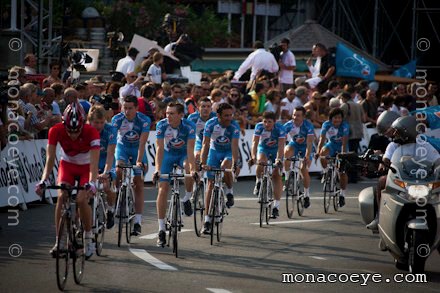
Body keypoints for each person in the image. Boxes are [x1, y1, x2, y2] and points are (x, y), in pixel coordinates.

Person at [36, 102, 99, 259]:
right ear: (63, 124)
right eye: (69, 130)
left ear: (83, 125)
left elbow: (94, 164)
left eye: (76, 131)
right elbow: (50, 159)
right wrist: (43, 180)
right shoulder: (55, 130)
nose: (73, 134)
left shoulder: (92, 132)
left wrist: (92, 183)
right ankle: (60, 241)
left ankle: (88, 237)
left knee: (81, 199)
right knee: (62, 196)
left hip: (86, 167)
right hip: (68, 165)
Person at [153, 102, 197, 247]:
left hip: (183, 154)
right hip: (168, 155)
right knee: (163, 188)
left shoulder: (189, 126)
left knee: (188, 169)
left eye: (172, 113)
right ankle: (161, 229)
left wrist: (193, 169)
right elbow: (159, 149)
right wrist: (157, 170)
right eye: (167, 113)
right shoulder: (162, 125)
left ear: (180, 115)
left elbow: (190, 150)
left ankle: (187, 198)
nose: (168, 116)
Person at [111, 95, 151, 235]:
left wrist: (139, 161)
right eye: (124, 108)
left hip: (137, 150)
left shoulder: (144, 120)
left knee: (138, 183)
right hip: (122, 147)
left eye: (130, 108)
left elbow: (142, 143)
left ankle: (138, 222)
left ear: (136, 108)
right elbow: (113, 142)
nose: (126, 111)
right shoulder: (117, 119)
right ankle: (115, 195)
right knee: (118, 170)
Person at [200, 103, 241, 234]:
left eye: (231, 115)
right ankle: (207, 220)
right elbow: (205, 144)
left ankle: (229, 191)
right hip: (214, 151)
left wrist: (236, 164)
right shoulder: (211, 124)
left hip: (228, 152)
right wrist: (202, 163)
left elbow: (235, 147)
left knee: (225, 167)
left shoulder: (234, 126)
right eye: (226, 116)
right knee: (210, 185)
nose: (229, 118)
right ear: (218, 115)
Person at [248, 111, 285, 218]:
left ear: (274, 122)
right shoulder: (259, 127)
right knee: (261, 162)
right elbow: (255, 143)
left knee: (276, 176)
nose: (267, 124)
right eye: (265, 121)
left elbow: (281, 146)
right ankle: (258, 181)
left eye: (269, 122)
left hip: (276, 150)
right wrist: (253, 157)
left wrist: (278, 159)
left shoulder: (280, 129)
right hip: (263, 148)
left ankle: (276, 207)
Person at [88, 105, 117, 229]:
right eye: (96, 122)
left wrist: (106, 172)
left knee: (107, 187)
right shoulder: (86, 130)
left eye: (102, 122)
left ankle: (110, 210)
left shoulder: (110, 130)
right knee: (86, 192)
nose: (99, 126)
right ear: (90, 121)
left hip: (106, 160)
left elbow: (110, 154)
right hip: (91, 160)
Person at [315, 108, 349, 207]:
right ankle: (326, 172)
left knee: (342, 173)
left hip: (341, 147)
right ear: (331, 119)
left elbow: (344, 142)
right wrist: (318, 151)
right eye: (335, 118)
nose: (337, 120)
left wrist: (342, 155)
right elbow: (322, 139)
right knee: (323, 154)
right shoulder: (326, 124)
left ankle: (342, 195)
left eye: (339, 118)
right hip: (331, 145)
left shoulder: (345, 126)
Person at [283, 107, 315, 208]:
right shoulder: (288, 125)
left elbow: (310, 142)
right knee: (286, 152)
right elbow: (281, 138)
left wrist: (307, 155)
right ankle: (288, 178)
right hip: (295, 145)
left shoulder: (308, 125)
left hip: (306, 147)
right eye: (294, 115)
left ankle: (306, 195)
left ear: (303, 117)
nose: (295, 117)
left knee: (303, 169)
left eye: (298, 115)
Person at [188, 98, 216, 164]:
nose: (206, 109)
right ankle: (198, 173)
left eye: (208, 106)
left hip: (214, 141)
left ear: (211, 108)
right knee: (197, 156)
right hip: (199, 141)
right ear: (198, 108)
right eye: (203, 106)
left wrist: (241, 127)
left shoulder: (216, 117)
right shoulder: (192, 118)